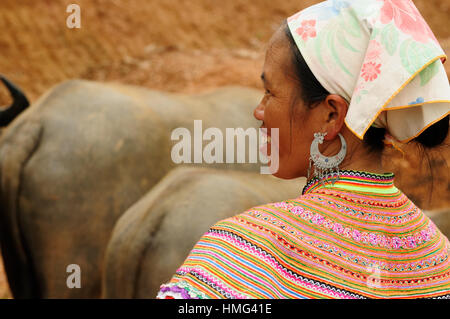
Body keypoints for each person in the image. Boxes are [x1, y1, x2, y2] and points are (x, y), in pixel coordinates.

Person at [157, 0, 450, 299]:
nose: (259, 110)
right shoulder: (441, 263)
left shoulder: (239, 258)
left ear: (331, 115)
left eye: (270, 92)